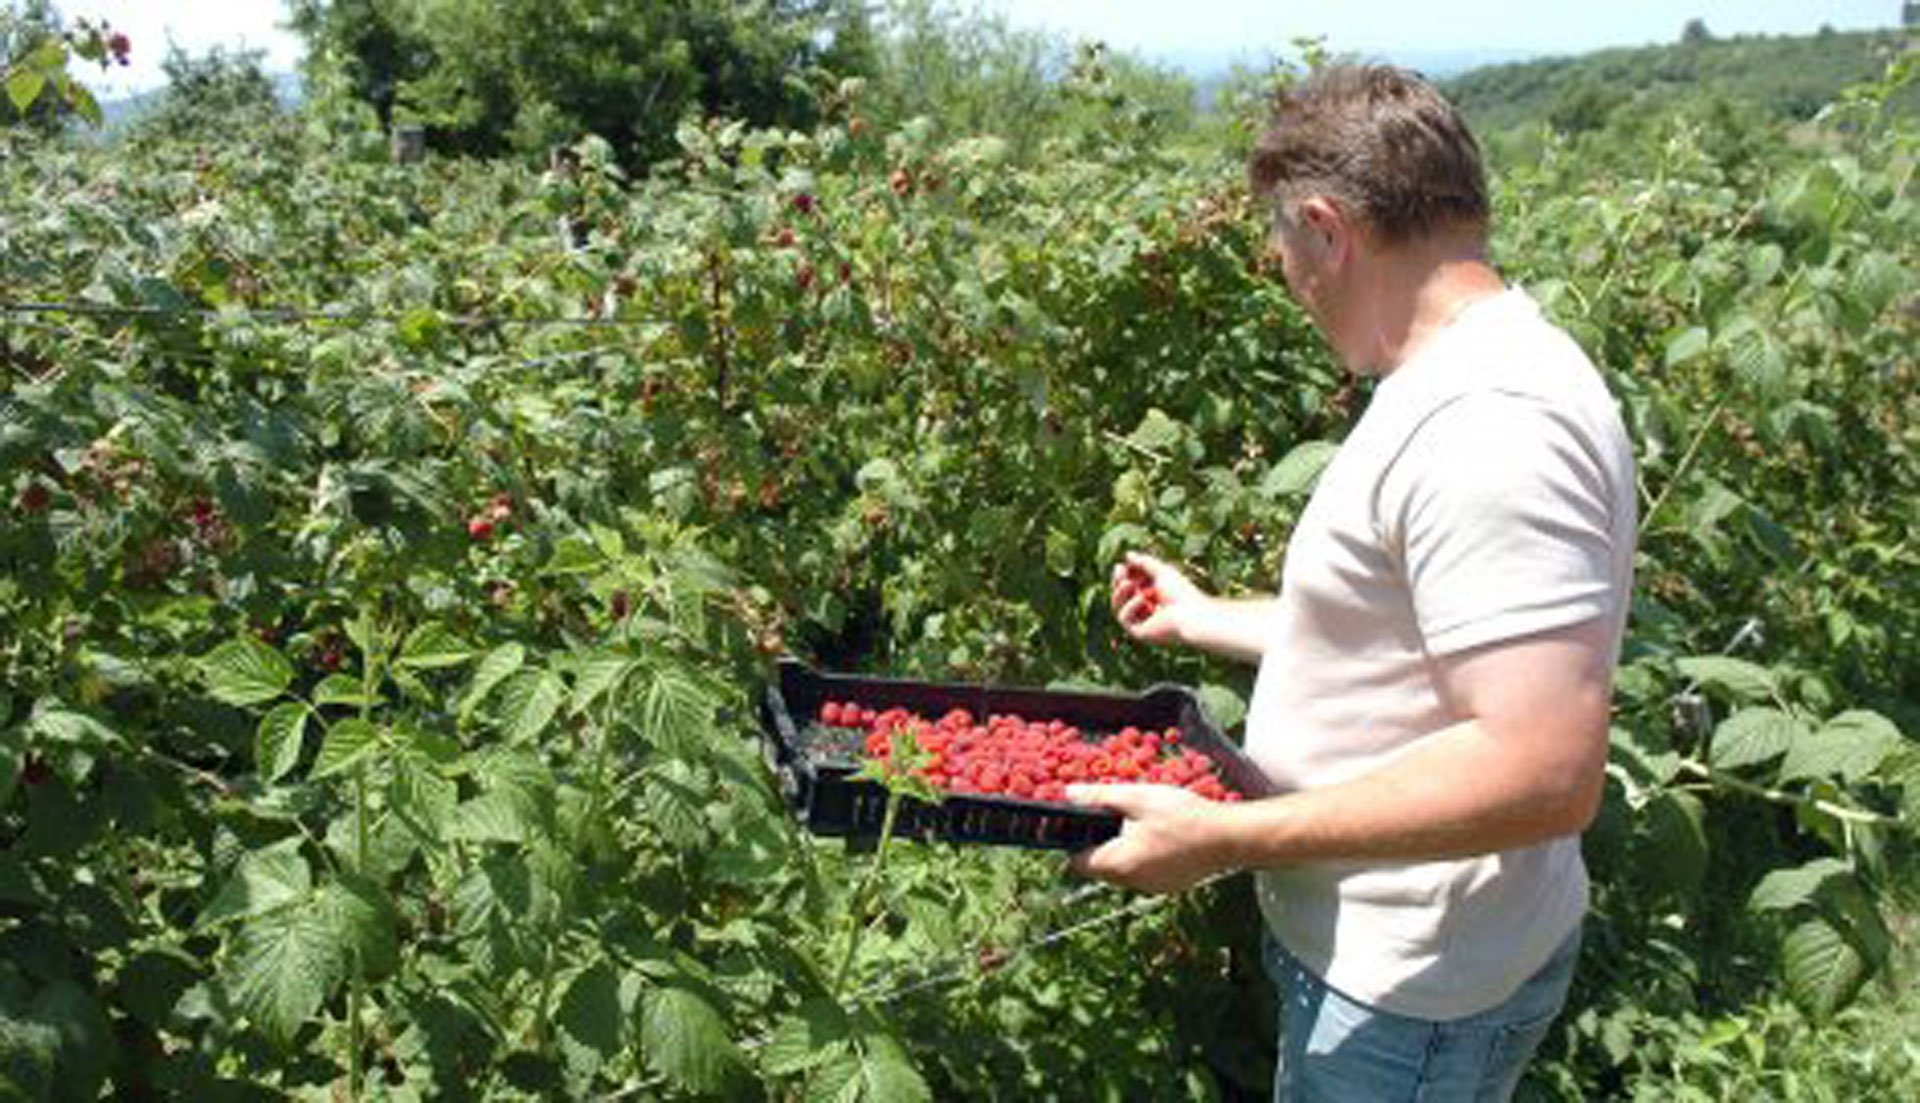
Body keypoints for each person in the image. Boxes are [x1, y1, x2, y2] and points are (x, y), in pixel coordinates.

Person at [1065, 64, 1637, 1101]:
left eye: (1283, 248)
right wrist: (1209, 617)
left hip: (1409, 995)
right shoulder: (1468, 371)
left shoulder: (1489, 424)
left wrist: (1224, 839)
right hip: (1402, 962)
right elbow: (1415, 636)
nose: (1286, 277)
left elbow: (1544, 766)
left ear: (1327, 229)